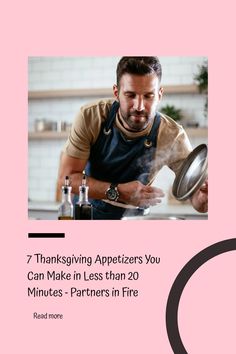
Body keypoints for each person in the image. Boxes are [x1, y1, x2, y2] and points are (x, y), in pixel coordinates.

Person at [58, 57, 208, 219]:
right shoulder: (91, 117)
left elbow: (194, 194)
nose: (139, 106)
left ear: (159, 95)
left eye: (148, 96)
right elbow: (67, 179)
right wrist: (118, 191)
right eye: (130, 95)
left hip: (135, 220)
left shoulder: (171, 135)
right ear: (116, 93)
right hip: (86, 214)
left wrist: (202, 199)